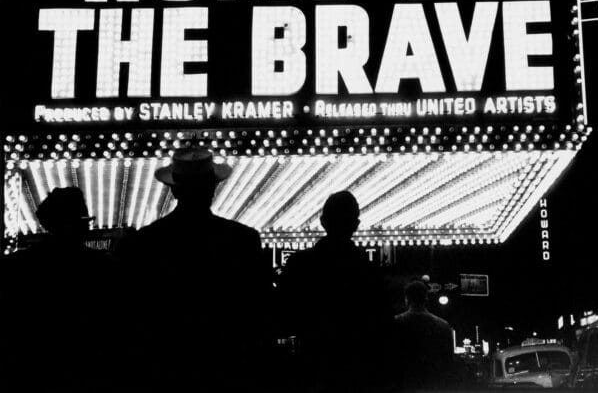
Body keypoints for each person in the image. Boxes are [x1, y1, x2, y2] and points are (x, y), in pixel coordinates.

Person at [115, 148, 273, 391]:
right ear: (213, 188)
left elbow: (130, 315)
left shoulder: (143, 242)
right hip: (228, 367)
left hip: (163, 368)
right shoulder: (242, 240)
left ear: (174, 188)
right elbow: (260, 309)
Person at [0, 187, 117, 392]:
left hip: (32, 370)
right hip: (90, 369)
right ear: (81, 226)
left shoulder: (17, 265)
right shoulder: (102, 267)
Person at [278, 191, 394, 393]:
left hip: (312, 366)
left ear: (322, 222)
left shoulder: (300, 264)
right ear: (356, 225)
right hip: (359, 370)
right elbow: (383, 326)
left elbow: (283, 318)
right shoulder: (370, 271)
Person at [393, 280, 454, 390]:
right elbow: (448, 361)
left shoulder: (396, 323)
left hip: (405, 382)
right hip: (433, 383)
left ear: (407, 300)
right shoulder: (443, 325)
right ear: (426, 299)